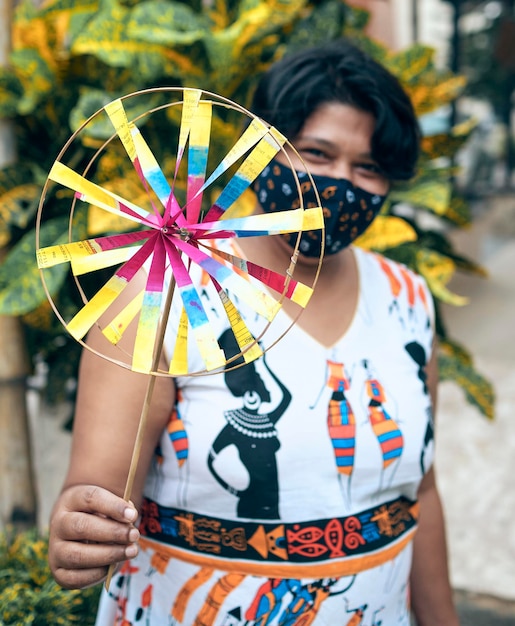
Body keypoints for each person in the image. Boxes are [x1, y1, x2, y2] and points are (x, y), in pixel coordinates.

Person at [48, 38, 460, 625]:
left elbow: (420, 492)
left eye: (367, 167)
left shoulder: (408, 299)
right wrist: (77, 530)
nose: (340, 182)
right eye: (316, 154)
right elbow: (94, 499)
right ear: (261, 149)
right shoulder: (163, 287)